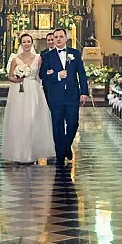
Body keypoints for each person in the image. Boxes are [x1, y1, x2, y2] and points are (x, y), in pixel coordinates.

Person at [1, 33, 57, 164]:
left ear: (32, 43)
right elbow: (10, 77)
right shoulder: (15, 59)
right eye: (24, 42)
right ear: (21, 44)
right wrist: (18, 79)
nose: (26, 44)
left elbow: (41, 75)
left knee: (33, 120)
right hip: (19, 92)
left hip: (34, 91)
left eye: (28, 41)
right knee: (20, 121)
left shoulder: (38, 58)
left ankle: (32, 152)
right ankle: (20, 152)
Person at [40, 27, 89, 167]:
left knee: (73, 123)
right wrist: (57, 75)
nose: (58, 39)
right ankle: (60, 155)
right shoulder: (47, 56)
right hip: (55, 96)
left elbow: (82, 73)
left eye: (61, 36)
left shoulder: (75, 53)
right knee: (57, 125)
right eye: (56, 37)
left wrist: (84, 92)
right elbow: (42, 75)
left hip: (72, 95)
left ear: (66, 38)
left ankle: (66, 146)